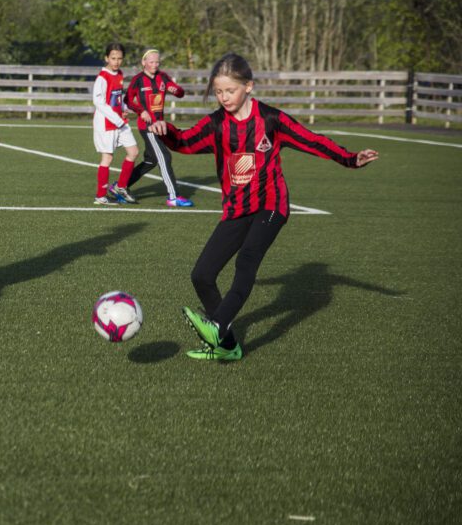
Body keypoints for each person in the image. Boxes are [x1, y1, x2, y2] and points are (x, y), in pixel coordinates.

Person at [148, 53, 379, 361]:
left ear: (249, 87)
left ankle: (217, 325)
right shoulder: (216, 124)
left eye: (230, 91)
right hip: (236, 209)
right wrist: (168, 131)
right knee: (201, 275)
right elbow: (186, 142)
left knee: (246, 261)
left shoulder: (271, 120)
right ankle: (228, 346)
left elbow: (311, 140)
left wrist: (350, 159)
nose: (223, 97)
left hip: (271, 205)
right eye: (218, 92)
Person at [124, 49, 194, 207]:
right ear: (144, 62)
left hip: (160, 126)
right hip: (147, 127)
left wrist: (175, 90)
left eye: (157, 62)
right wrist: (141, 111)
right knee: (165, 157)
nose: (154, 65)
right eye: (151, 62)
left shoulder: (163, 77)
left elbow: (180, 93)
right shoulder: (138, 80)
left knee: (151, 161)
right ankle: (173, 196)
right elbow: (128, 100)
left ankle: (121, 186)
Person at [92, 42, 139, 205]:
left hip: (120, 121)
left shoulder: (119, 74)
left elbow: (117, 98)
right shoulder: (102, 77)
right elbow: (98, 102)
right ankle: (100, 196)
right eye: (113, 58)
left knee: (133, 152)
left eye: (119, 58)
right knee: (107, 158)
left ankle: (121, 187)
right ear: (106, 58)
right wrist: (117, 118)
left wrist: (125, 108)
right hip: (107, 123)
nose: (116, 61)